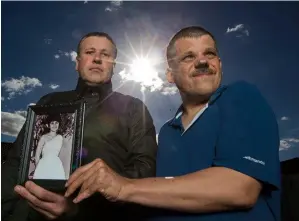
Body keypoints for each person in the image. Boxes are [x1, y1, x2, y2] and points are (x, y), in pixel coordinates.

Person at [64, 26, 281, 221]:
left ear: (220, 65)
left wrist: (123, 186)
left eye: (210, 54)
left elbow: (240, 187)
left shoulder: (241, 97)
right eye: (188, 57)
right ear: (170, 75)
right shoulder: (167, 132)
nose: (202, 61)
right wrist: (73, 209)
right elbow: (154, 195)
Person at [2, 32, 157, 221]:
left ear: (114, 66)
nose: (97, 59)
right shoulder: (49, 101)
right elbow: (16, 161)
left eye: (105, 55)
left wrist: (90, 202)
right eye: (90, 52)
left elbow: (145, 167)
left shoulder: (134, 108)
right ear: (77, 62)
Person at [33, 115, 65, 180]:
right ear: (48, 125)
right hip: (43, 165)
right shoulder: (44, 137)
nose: (54, 125)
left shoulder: (60, 138)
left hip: (56, 166)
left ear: (59, 124)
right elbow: (37, 155)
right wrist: (38, 168)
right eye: (52, 123)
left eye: (56, 123)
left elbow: (60, 154)